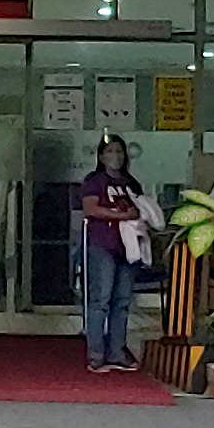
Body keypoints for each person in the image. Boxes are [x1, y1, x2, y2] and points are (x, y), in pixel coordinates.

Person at [80, 135, 144, 373]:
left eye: (119, 151)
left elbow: (141, 208)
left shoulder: (131, 183)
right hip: (103, 244)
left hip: (128, 247)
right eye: (109, 151)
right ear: (100, 156)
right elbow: (91, 209)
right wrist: (121, 216)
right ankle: (96, 354)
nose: (115, 156)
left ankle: (117, 351)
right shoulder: (94, 181)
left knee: (123, 301)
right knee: (101, 300)